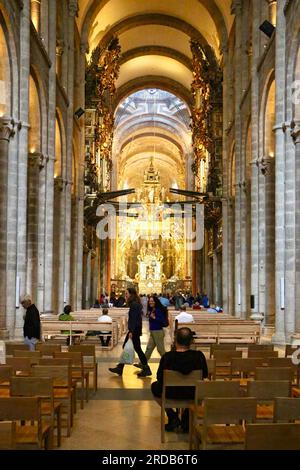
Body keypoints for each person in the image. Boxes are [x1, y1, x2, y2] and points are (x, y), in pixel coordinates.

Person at [151, 327, 208, 432]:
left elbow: (160, 377)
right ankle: (187, 416)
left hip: (171, 393)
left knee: (154, 386)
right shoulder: (198, 356)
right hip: (192, 393)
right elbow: (204, 375)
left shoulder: (167, 357)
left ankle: (172, 416)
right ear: (191, 341)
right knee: (202, 388)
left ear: (175, 340)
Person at [109, 288, 152, 377]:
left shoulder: (134, 305)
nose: (126, 295)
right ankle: (120, 368)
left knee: (135, 348)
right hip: (135, 329)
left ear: (131, 294)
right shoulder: (136, 304)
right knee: (133, 348)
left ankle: (145, 368)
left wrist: (131, 331)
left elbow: (133, 319)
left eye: (127, 293)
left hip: (134, 330)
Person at [134, 295, 168, 370]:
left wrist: (154, 317)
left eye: (152, 301)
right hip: (153, 331)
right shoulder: (153, 309)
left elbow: (162, 320)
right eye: (149, 301)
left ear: (156, 302)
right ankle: (142, 363)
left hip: (158, 331)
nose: (150, 302)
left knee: (161, 349)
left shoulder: (158, 310)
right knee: (149, 348)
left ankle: (168, 364)